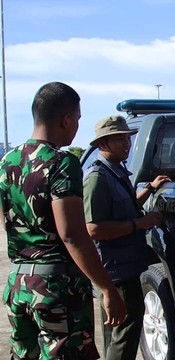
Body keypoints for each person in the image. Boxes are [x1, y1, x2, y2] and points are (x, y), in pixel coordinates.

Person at [0, 82, 127, 359]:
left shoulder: (7, 161)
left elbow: (7, 221)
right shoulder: (61, 163)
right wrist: (106, 289)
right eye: (78, 119)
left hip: (18, 285)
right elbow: (72, 234)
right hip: (56, 288)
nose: (77, 126)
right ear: (67, 119)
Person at [83, 115, 169, 360]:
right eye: (118, 139)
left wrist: (150, 188)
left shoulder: (116, 172)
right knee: (125, 334)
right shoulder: (97, 178)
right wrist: (138, 224)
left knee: (120, 332)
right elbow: (94, 229)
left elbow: (126, 205)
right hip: (115, 272)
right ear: (103, 144)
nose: (126, 143)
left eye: (126, 138)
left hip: (127, 266)